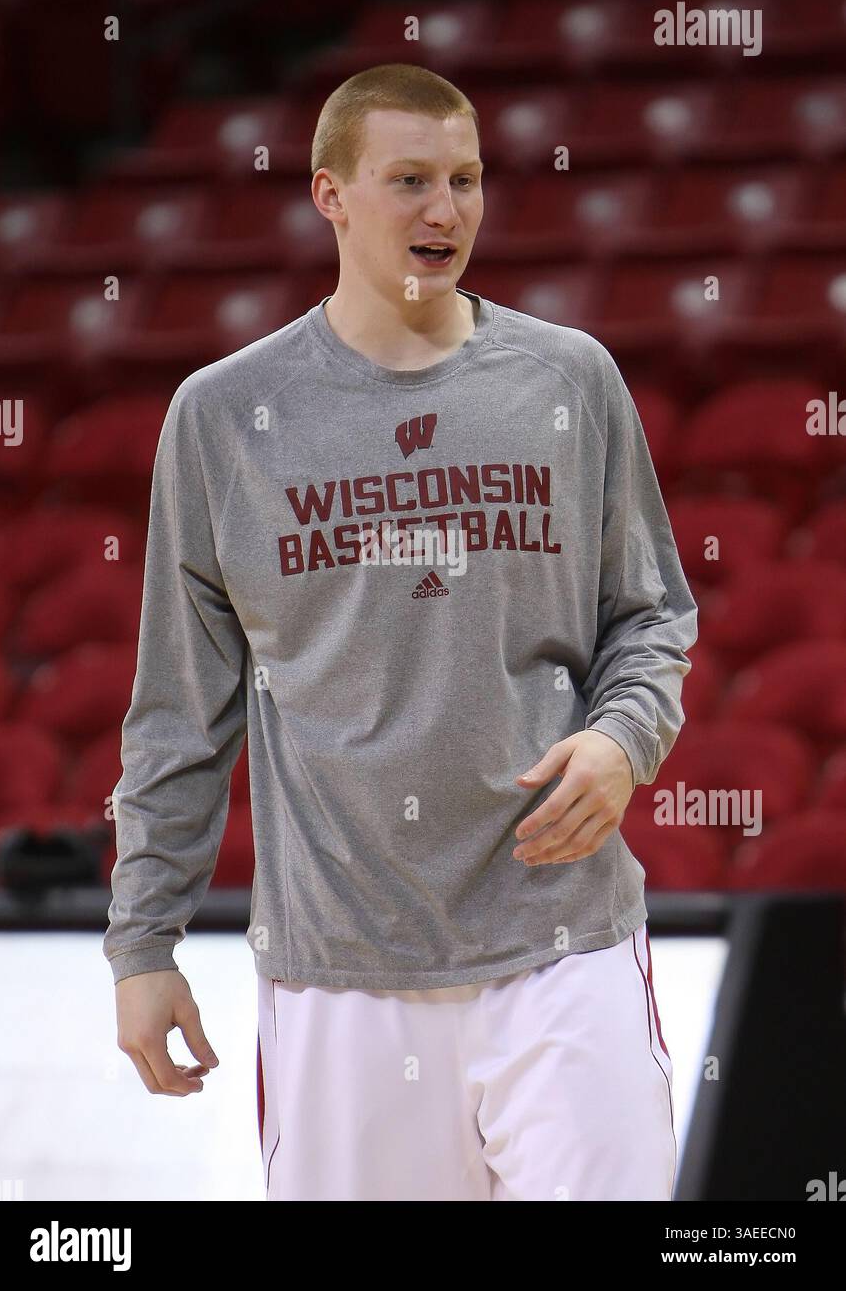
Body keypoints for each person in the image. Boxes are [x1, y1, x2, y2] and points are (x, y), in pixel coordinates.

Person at [105, 63, 698, 1201]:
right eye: (411, 180)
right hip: (340, 975)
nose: (445, 210)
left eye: (466, 180)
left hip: (561, 945)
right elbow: (181, 707)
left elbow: (651, 614)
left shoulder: (567, 379)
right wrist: (143, 943)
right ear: (329, 194)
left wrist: (624, 739)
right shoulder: (224, 415)